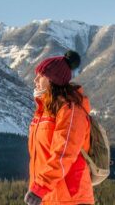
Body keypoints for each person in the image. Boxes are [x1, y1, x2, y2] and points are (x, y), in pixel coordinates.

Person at [25, 51, 95, 205]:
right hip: (48, 197)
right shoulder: (44, 111)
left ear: (52, 80)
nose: (35, 80)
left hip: (70, 199)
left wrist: (41, 186)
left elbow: (64, 152)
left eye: (41, 75)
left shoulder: (70, 110)